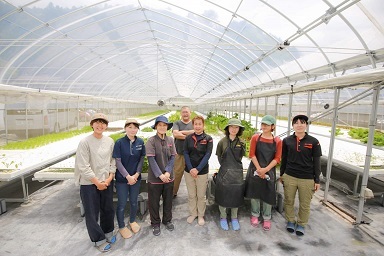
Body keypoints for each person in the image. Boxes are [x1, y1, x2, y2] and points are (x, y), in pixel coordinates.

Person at [74, 113, 116, 253]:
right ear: (92, 124)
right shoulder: (85, 142)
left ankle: (108, 232)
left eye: (103, 123)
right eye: (97, 122)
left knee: (108, 208)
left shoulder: (109, 141)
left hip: (106, 181)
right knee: (92, 213)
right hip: (89, 183)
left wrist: (110, 177)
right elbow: (83, 166)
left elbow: (112, 160)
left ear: (106, 126)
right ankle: (98, 239)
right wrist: (97, 182)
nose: (100, 125)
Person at [280, 114, 322, 236]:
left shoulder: (314, 142)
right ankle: (291, 221)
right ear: (292, 125)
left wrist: (317, 180)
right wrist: (282, 174)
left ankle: (302, 224)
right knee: (289, 200)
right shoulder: (287, 140)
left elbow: (317, 162)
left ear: (306, 125)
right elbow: (284, 158)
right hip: (290, 175)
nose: (299, 125)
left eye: (302, 122)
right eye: (296, 123)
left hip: (307, 178)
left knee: (305, 204)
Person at [245, 115, 282, 231]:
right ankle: (255, 215)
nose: (264, 126)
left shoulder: (277, 141)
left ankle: (267, 217)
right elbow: (251, 154)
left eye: (267, 124)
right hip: (255, 168)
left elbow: (277, 158)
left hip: (269, 170)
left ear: (273, 126)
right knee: (255, 193)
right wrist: (259, 169)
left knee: (268, 193)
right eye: (263, 124)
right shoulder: (256, 138)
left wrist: (265, 170)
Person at [113, 118, 145, 239]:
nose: (132, 129)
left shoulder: (140, 142)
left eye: (135, 127)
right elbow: (118, 161)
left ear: (137, 129)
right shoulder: (119, 143)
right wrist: (127, 176)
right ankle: (121, 226)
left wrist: (136, 174)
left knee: (133, 201)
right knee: (121, 203)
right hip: (122, 179)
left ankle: (132, 221)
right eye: (130, 127)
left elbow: (141, 159)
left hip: (135, 178)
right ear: (125, 128)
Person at [146, 116, 177, 236]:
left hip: (169, 177)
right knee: (153, 202)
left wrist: (168, 172)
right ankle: (155, 223)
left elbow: (173, 156)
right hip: (155, 179)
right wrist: (160, 175)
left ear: (167, 127)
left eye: (165, 125)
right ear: (156, 127)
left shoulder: (171, 140)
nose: (162, 127)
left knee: (168, 201)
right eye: (160, 125)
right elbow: (151, 159)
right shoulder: (151, 141)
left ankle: (167, 220)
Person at [215, 118, 246, 231]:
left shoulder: (242, 143)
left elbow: (241, 157)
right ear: (228, 128)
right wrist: (226, 169)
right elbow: (219, 157)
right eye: (231, 127)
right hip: (224, 171)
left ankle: (234, 217)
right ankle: (223, 217)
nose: (234, 129)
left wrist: (233, 169)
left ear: (239, 129)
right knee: (223, 194)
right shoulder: (222, 142)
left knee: (236, 195)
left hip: (237, 172)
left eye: (236, 127)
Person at [183, 116, 213, 226]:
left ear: (203, 125)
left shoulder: (208, 138)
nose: (198, 126)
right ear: (193, 125)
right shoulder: (188, 138)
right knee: (191, 194)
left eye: (200, 124)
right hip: (189, 171)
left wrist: (198, 169)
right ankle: (193, 213)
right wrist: (191, 169)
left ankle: (200, 215)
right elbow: (185, 153)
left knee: (201, 195)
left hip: (202, 171)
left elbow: (207, 155)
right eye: (196, 124)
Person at [172, 106, 194, 198]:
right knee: (177, 174)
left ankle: (193, 194)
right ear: (181, 113)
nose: (185, 114)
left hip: (192, 154)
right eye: (183, 112)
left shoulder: (193, 123)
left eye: (187, 112)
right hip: (179, 153)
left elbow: (197, 132)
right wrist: (190, 136)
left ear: (190, 113)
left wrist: (182, 132)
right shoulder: (177, 123)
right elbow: (176, 134)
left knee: (193, 175)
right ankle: (173, 193)